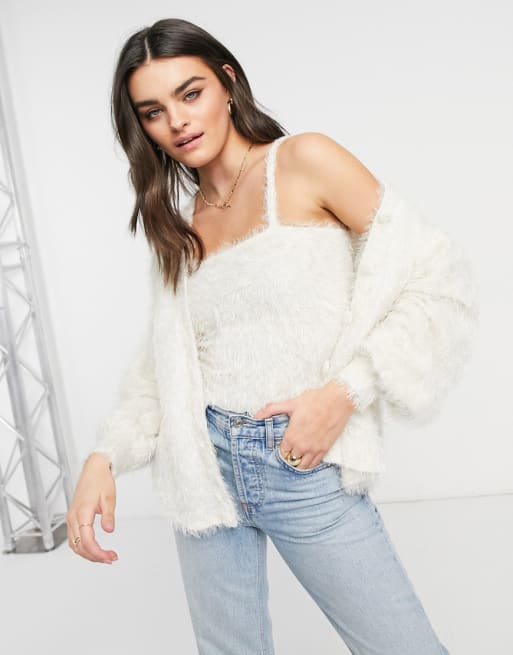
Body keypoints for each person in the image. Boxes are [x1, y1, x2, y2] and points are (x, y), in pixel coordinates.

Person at [67, 17, 479, 655]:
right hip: (203, 466)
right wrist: (105, 456)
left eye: (190, 93)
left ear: (227, 82)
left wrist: (344, 393)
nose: (177, 121)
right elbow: (167, 365)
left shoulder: (304, 161)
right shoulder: (179, 224)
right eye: (153, 111)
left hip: (299, 464)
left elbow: (436, 277)